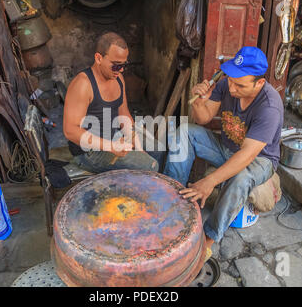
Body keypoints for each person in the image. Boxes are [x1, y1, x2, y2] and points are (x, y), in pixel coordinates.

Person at [163, 46, 284, 260]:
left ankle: (208, 239)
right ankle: (171, 200)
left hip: (259, 159)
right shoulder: (226, 84)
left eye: (240, 85)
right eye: (231, 80)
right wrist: (200, 101)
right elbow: (203, 118)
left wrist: (209, 182)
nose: (232, 88)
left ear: (260, 83)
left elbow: (247, 155)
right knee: (185, 132)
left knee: (241, 176)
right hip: (225, 147)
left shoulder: (270, 106)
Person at [63, 32, 160, 173]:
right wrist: (111, 146)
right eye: (115, 65)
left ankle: (165, 190)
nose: (120, 70)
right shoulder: (83, 84)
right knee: (150, 165)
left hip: (113, 137)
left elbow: (124, 114)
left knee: (158, 150)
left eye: (123, 65)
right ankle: (145, 192)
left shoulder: (118, 78)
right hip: (89, 152)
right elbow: (70, 131)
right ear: (98, 58)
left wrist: (138, 148)